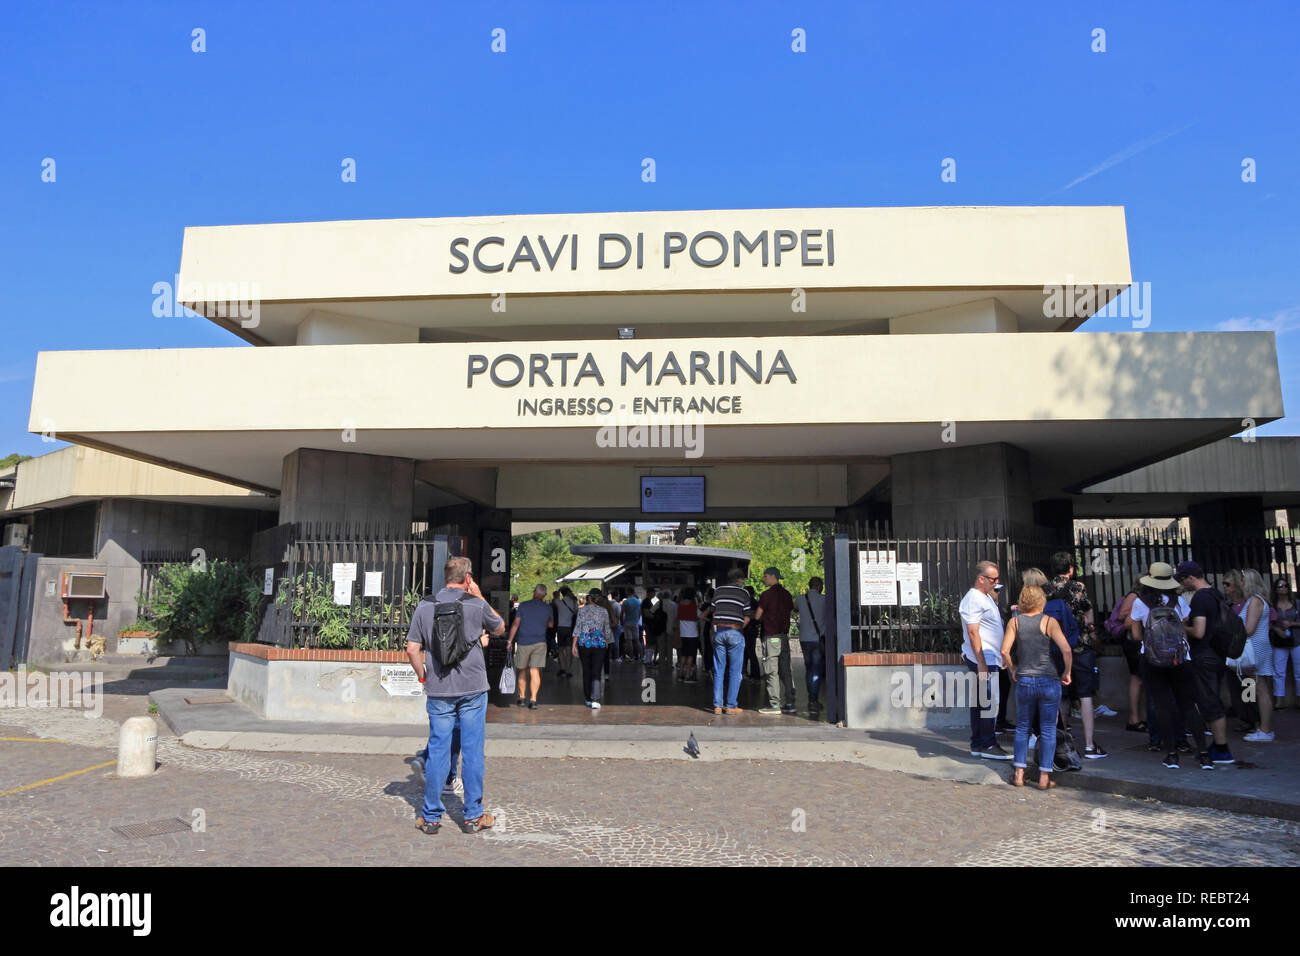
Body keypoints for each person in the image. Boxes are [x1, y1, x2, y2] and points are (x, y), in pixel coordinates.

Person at [405, 555, 504, 835]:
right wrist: (480, 595)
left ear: (445, 577)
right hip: (472, 687)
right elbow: (499, 627)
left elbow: (412, 649)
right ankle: (473, 816)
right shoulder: (476, 605)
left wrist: (423, 676)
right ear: (468, 578)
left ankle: (431, 817)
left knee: (438, 751)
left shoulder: (425, 606)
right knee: (473, 752)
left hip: (439, 689)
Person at [1128, 565, 1211, 770]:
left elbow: (1137, 635)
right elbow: (1183, 626)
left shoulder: (1140, 602)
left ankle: (1171, 755)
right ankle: (1203, 754)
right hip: (1180, 659)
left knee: (1162, 706)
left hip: (1151, 659)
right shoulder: (1179, 601)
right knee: (1188, 705)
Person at [1001, 585, 1073, 789]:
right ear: (1042, 601)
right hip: (1049, 679)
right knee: (1048, 728)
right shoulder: (1049, 622)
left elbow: (1005, 651)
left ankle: (1019, 774)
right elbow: (1066, 649)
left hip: (1024, 679)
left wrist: (1014, 669)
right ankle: (1044, 777)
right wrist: (1067, 672)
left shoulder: (1014, 622)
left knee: (1022, 727)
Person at [1173, 561, 1234, 764]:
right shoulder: (1216, 593)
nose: (1182, 584)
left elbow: (1198, 631)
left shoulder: (1200, 599)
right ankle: (1219, 745)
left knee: (1209, 702)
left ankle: (1221, 748)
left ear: (1191, 578)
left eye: (1183, 579)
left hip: (1204, 655)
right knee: (1213, 699)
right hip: (1217, 654)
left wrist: (1182, 626)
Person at [1047, 551, 1107, 758]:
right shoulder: (1078, 588)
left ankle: (1060, 742)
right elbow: (1089, 616)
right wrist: (1086, 627)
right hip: (1080, 647)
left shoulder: (1045, 589)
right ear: (1071, 569)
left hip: (1055, 647)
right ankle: (1090, 745)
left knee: (1059, 696)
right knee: (1085, 695)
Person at [962, 561, 1009, 760]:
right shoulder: (974, 599)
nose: (996, 583)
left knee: (981, 702)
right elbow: (973, 632)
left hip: (990, 657)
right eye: (993, 579)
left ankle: (979, 743)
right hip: (984, 658)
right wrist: (981, 662)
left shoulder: (984, 596)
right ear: (981, 579)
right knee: (989, 701)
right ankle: (987, 743)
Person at [1224, 568, 1274, 741]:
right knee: (1251, 687)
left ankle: (1265, 728)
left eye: (1243, 580)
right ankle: (1254, 722)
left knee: (1259, 688)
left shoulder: (1254, 601)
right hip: (1256, 648)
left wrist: (1232, 630)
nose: (1241, 584)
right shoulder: (1256, 601)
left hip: (1254, 649)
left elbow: (1249, 629)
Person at [710, 567, 753, 714]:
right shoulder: (743, 592)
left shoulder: (718, 591)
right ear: (739, 579)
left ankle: (717, 705)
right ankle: (731, 705)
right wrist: (739, 629)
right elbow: (747, 616)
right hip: (735, 631)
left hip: (719, 631)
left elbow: (713, 612)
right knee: (735, 671)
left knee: (719, 670)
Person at [754, 567, 796, 715]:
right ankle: (790, 702)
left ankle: (774, 705)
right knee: (786, 670)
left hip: (771, 636)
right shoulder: (787, 594)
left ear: (773, 577)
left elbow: (757, 616)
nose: (763, 579)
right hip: (783, 637)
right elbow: (789, 611)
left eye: (765, 576)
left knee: (771, 671)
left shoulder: (766, 595)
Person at [506, 583, 552, 709]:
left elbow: (515, 624)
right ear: (544, 595)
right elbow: (551, 625)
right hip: (540, 642)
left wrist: (509, 641)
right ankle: (533, 700)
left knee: (522, 669)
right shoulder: (547, 608)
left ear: (533, 592)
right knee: (535, 670)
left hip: (524, 642)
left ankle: (521, 697)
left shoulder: (523, 606)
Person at [573, 588, 612, 709]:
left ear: (589, 597)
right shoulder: (604, 611)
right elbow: (607, 628)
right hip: (599, 643)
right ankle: (595, 698)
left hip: (584, 643)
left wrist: (574, 644)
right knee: (596, 671)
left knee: (586, 670)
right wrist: (606, 641)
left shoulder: (582, 610)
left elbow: (578, 627)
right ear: (599, 598)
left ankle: (587, 698)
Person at [795, 577, 827, 719]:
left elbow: (794, 609)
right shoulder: (824, 600)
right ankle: (813, 700)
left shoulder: (800, 599)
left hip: (803, 639)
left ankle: (811, 697)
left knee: (809, 668)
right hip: (817, 639)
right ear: (820, 586)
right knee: (816, 670)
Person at [1271, 578, 1298, 711]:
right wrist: (1277, 629)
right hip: (1279, 640)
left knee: (1299, 672)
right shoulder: (1273, 605)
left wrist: (1291, 624)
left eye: (1286, 586)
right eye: (1280, 586)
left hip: (1296, 640)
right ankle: (1279, 700)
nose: (1283, 588)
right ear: (1276, 589)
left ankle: (1299, 699)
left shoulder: (1296, 604)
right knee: (1279, 672)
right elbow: (1269, 623)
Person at [553, 586, 578, 679]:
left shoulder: (558, 602)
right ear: (569, 593)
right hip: (569, 628)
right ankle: (568, 670)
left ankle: (562, 668)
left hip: (560, 628)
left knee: (560, 649)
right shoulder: (574, 602)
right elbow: (576, 612)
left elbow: (554, 597)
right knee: (568, 650)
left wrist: (558, 592)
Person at [677, 587, 701, 682]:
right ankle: (687, 675)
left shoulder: (680, 605)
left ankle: (680, 675)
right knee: (691, 655)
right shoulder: (693, 606)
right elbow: (699, 616)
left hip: (683, 634)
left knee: (683, 655)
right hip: (692, 634)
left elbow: (678, 618)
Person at [742, 585, 762, 681]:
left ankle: (755, 674)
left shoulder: (749, 603)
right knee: (748, 652)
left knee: (749, 652)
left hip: (748, 629)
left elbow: (751, 616)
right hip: (752, 629)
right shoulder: (755, 603)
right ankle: (748, 673)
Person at [643, 590, 667, 663]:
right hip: (659, 626)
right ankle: (652, 659)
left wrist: (656, 617)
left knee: (653, 643)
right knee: (654, 643)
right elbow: (648, 613)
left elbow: (650, 612)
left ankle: (649, 659)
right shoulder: (648, 602)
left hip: (656, 626)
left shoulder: (656, 603)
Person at [621, 588, 643, 662]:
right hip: (635, 623)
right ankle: (642, 656)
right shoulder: (638, 602)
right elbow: (640, 613)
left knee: (629, 641)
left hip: (627, 623)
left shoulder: (626, 602)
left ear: (628, 592)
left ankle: (631, 657)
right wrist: (637, 620)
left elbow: (622, 613)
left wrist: (621, 621)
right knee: (637, 640)